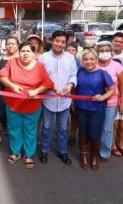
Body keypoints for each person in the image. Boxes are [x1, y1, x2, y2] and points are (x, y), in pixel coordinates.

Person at [0, 41, 54, 169]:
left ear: (34, 54)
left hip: (32, 105)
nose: (25, 54)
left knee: (30, 130)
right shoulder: (12, 62)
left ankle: (29, 154)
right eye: (22, 51)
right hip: (13, 104)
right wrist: (12, 85)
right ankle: (15, 152)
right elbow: (1, 76)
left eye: (28, 51)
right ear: (19, 52)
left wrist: (36, 91)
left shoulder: (39, 66)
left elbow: (47, 83)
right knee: (14, 129)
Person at [38, 30, 77, 165]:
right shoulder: (43, 58)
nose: (60, 44)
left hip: (65, 99)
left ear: (66, 44)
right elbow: (42, 77)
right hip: (48, 98)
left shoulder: (70, 58)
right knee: (47, 126)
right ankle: (44, 150)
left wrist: (70, 86)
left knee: (63, 128)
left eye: (63, 42)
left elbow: (73, 75)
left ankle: (62, 151)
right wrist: (53, 88)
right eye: (57, 41)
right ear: (52, 41)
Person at [75, 49, 115, 171]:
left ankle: (94, 156)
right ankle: (84, 155)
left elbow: (112, 90)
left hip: (97, 109)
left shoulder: (103, 74)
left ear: (97, 60)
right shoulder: (79, 71)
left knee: (95, 133)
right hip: (81, 107)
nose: (89, 62)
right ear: (82, 61)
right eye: (86, 59)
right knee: (83, 132)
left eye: (92, 59)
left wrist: (103, 97)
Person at [95, 41, 123, 161]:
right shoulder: (93, 64)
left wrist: (122, 102)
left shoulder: (117, 66)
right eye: (101, 51)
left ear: (111, 52)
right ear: (97, 53)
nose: (104, 53)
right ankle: (93, 149)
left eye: (106, 51)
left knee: (107, 128)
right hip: (95, 101)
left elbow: (122, 85)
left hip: (111, 102)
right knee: (94, 126)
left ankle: (104, 152)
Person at [0, 36, 19, 149]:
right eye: (8, 44)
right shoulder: (1, 57)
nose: (10, 46)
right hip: (0, 90)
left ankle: (15, 139)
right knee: (0, 113)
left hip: (16, 91)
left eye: (13, 44)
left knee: (15, 115)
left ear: (17, 45)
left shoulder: (21, 57)